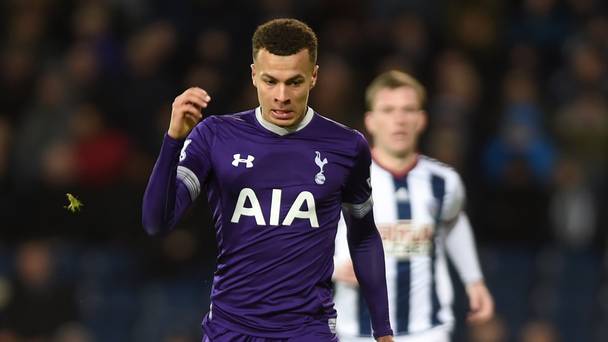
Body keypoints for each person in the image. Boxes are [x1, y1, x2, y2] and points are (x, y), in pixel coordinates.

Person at [142, 19, 393, 342]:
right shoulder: (216, 136)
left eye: (294, 82)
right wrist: (173, 139)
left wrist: (383, 330)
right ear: (253, 75)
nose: (282, 96)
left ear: (314, 76)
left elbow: (363, 236)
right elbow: (156, 223)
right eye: (270, 81)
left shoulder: (347, 146)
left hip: (308, 330)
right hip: (231, 328)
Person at [333, 70, 494, 342]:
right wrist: (332, 267)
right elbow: (303, 237)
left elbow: (453, 222)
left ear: (421, 120)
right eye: (388, 110)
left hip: (427, 330)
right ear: (370, 121)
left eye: (408, 110)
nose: (399, 119)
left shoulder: (443, 181)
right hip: (357, 331)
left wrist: (473, 280)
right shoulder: (341, 180)